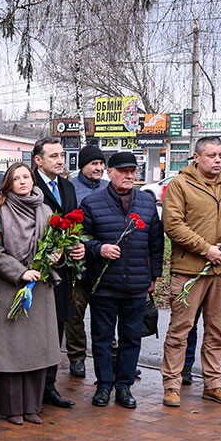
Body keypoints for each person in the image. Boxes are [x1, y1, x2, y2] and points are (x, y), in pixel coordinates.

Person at [160, 136, 221, 408]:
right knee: (181, 329)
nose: (218, 160)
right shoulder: (180, 184)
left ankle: (214, 384)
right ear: (196, 158)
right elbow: (173, 225)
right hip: (189, 269)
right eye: (212, 155)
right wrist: (205, 249)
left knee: (217, 331)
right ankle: (172, 385)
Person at [0, 163, 78, 424]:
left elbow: (54, 245)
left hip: (40, 290)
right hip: (11, 289)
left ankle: (32, 407)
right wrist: (19, 272)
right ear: (8, 184)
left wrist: (56, 256)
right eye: (17, 178)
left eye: (26, 177)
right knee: (13, 351)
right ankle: (13, 408)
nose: (23, 182)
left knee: (38, 349)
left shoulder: (46, 210)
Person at [80, 151, 163, 408]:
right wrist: (99, 248)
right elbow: (81, 237)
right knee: (103, 338)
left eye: (132, 171)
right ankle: (104, 385)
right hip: (104, 284)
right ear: (110, 173)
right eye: (123, 171)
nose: (129, 175)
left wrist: (154, 276)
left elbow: (156, 242)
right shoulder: (93, 203)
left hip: (136, 284)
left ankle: (124, 386)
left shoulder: (147, 203)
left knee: (131, 339)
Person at [30, 136, 78, 407]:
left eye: (62, 155)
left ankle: (49, 385)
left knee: (57, 325)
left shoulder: (67, 187)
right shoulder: (29, 184)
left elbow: (72, 224)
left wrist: (76, 246)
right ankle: (32, 387)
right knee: (37, 328)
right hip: (36, 269)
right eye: (54, 156)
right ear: (38, 160)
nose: (60, 160)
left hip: (62, 269)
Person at [65, 144, 109, 377]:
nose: (99, 168)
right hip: (79, 260)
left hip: (103, 261)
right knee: (76, 312)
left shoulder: (108, 187)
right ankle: (77, 357)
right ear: (83, 166)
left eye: (101, 164)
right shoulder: (71, 188)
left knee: (105, 313)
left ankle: (111, 356)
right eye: (94, 164)